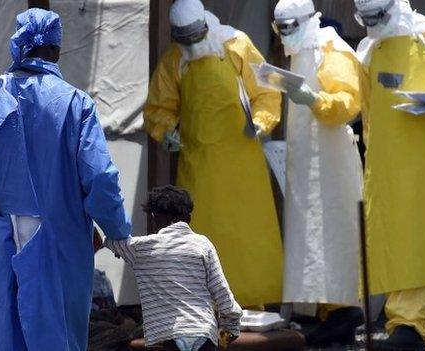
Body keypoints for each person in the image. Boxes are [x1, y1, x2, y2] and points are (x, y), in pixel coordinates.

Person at [0, 8, 131, 351]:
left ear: (17, 46)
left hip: (5, 239)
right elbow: (100, 176)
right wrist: (117, 229)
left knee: (8, 338)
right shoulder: (76, 104)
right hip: (62, 243)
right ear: (55, 49)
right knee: (59, 337)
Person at [144, 0, 283, 308]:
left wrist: (261, 122)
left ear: (205, 27)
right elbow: (158, 107)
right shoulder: (175, 59)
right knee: (202, 235)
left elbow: (266, 91)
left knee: (248, 234)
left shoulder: (237, 44)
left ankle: (252, 300)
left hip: (242, 162)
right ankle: (203, 303)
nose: (192, 44)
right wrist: (167, 132)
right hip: (199, 165)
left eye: (196, 37)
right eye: (186, 40)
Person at [353, 0, 425, 349]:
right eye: (367, 19)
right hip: (391, 164)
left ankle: (412, 324)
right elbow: (368, 109)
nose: (373, 24)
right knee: (411, 237)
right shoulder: (369, 49)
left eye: (377, 17)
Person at [271, 0, 365, 347]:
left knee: (332, 231)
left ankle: (343, 309)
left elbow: (348, 102)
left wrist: (313, 99)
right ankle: (331, 313)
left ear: (309, 20)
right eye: (280, 28)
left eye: (291, 27)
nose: (285, 35)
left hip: (330, 157)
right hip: (308, 158)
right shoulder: (301, 49)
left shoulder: (331, 48)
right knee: (311, 234)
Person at [104, 185, 242, 351]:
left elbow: (112, 240)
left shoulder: (143, 248)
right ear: (187, 218)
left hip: (171, 336)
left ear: (156, 215)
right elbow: (221, 292)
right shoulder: (203, 245)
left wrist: (113, 244)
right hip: (204, 332)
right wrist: (230, 327)